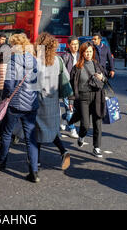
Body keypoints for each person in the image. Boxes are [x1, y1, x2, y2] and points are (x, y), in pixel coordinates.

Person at [0, 33, 40, 183]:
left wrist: (5, 98)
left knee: (6, 132)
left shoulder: (13, 60)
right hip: (31, 103)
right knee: (31, 137)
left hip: (16, 103)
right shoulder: (34, 60)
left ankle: (2, 161)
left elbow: (9, 85)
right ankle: (34, 172)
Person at [35, 33, 71, 170]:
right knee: (52, 128)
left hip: (39, 100)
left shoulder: (37, 61)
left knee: (37, 131)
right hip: (53, 100)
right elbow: (65, 79)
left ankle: (36, 161)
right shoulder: (59, 60)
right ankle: (63, 151)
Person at [69, 42, 107, 158]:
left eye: (90, 51)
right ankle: (81, 136)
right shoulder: (77, 67)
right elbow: (71, 85)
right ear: (82, 53)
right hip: (83, 98)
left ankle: (97, 147)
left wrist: (103, 78)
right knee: (85, 124)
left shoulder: (97, 64)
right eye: (86, 52)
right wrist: (71, 101)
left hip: (96, 96)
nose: (88, 54)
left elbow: (105, 80)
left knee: (97, 123)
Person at [60, 35, 80, 139]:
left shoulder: (81, 55)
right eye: (73, 44)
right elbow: (62, 73)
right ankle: (72, 129)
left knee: (75, 110)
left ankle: (64, 118)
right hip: (67, 86)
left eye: (77, 44)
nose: (75, 46)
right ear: (69, 45)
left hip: (78, 87)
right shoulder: (66, 56)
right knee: (70, 109)